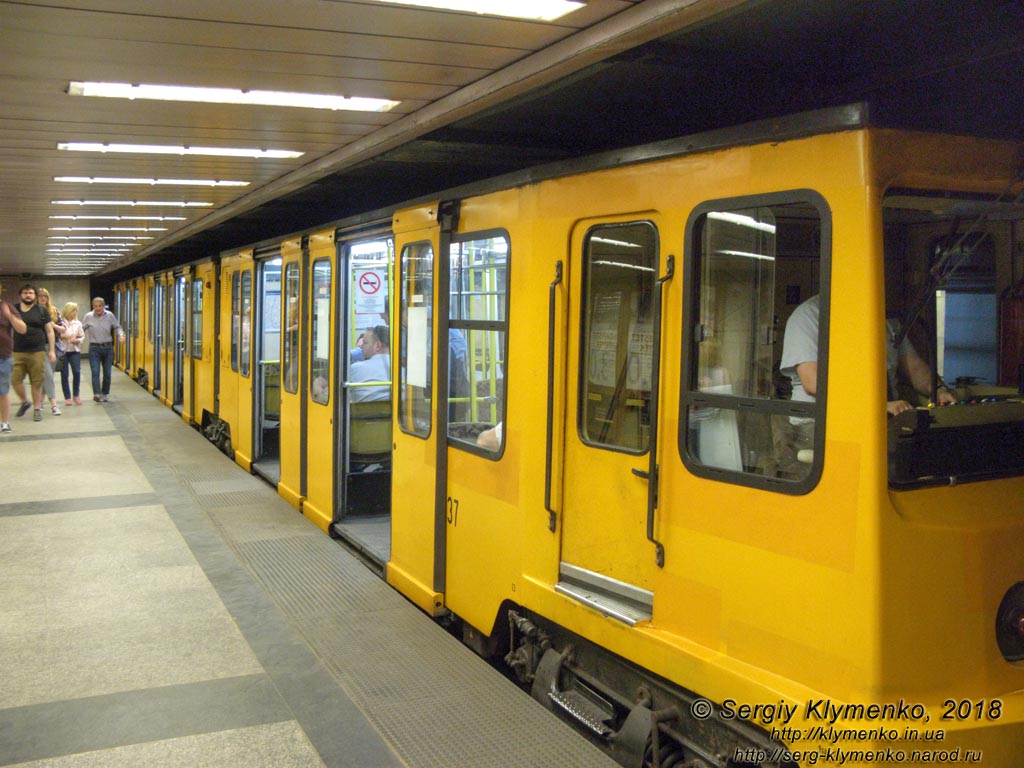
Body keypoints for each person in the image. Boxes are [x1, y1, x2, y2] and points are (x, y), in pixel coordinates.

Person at [780, 294, 957, 420]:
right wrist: (877, 406)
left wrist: (938, 390)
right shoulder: (809, 316)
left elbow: (914, 367)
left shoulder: (883, 316)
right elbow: (814, 383)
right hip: (820, 426)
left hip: (882, 419)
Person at [11, 284, 57, 422]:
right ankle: (25, 401)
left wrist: (52, 350)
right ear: (21, 295)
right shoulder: (14, 309)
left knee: (36, 382)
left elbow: (50, 331)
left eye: (30, 293)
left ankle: (37, 409)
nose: (28, 295)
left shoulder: (41, 311)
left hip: (37, 351)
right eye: (25, 293)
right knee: (15, 379)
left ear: (34, 296)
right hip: (17, 351)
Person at [81, 296, 125, 403]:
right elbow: (81, 329)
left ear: (103, 306)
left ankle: (105, 393)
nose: (98, 308)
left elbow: (117, 326)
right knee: (95, 372)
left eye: (100, 306)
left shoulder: (109, 315)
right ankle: (97, 393)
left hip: (108, 347)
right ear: (93, 306)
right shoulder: (88, 316)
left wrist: (121, 335)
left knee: (107, 373)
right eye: (95, 306)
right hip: (94, 348)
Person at [0, 279, 29, 433]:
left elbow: (22, 329)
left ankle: (4, 422)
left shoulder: (7, 307)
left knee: (2, 391)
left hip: (3, 357)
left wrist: (9, 316)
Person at [36, 288, 64, 415]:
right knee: (48, 375)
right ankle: (54, 405)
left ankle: (41, 401)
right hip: (38, 348)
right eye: (40, 296)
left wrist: (53, 325)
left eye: (45, 296)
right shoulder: (33, 311)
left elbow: (63, 329)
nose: (43, 298)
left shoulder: (54, 311)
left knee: (47, 376)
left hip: (53, 347)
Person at [349, 325, 391, 402]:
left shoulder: (356, 368)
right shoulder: (404, 369)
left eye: (365, 343)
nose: (361, 347)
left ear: (378, 346)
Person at [59, 302, 85, 405]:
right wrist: (63, 336)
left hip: (75, 351)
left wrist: (78, 340)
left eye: (76, 310)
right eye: (73, 310)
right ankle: (67, 397)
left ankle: (76, 395)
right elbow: (55, 335)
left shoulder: (78, 323)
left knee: (77, 372)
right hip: (63, 351)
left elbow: (82, 336)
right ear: (68, 311)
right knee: (64, 374)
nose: (75, 312)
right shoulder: (60, 323)